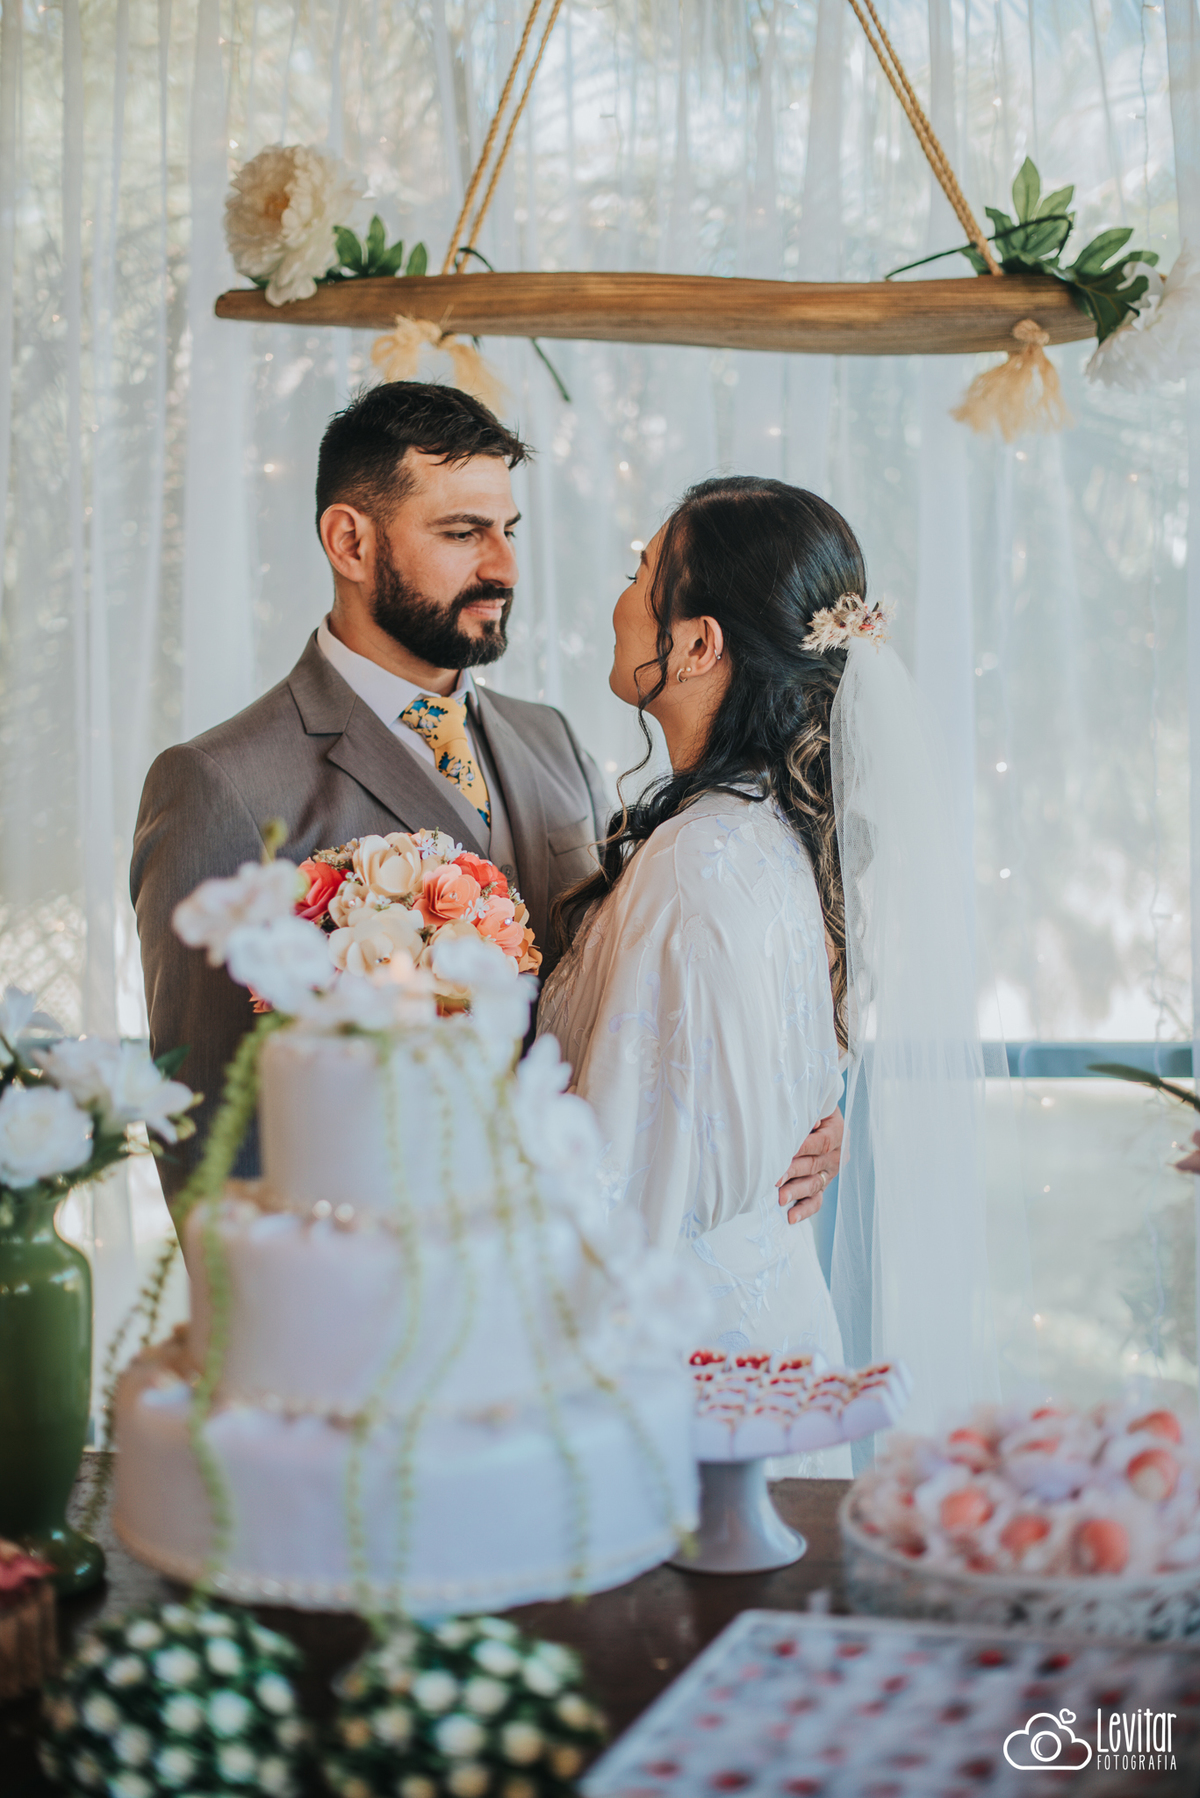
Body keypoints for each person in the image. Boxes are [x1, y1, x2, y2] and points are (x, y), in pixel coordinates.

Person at [131, 385, 842, 1211]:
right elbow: (212, 1142)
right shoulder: (219, 786)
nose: (503, 566)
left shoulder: (552, 742)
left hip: (576, 1280)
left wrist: (781, 1115)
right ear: (350, 541)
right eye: (463, 533)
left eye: (507, 530)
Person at [538, 475, 998, 1439]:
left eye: (642, 572)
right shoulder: (771, 835)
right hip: (764, 1338)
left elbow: (622, 1195)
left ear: (700, 642)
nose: (622, 596)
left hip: (686, 1386)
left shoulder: (699, 864)